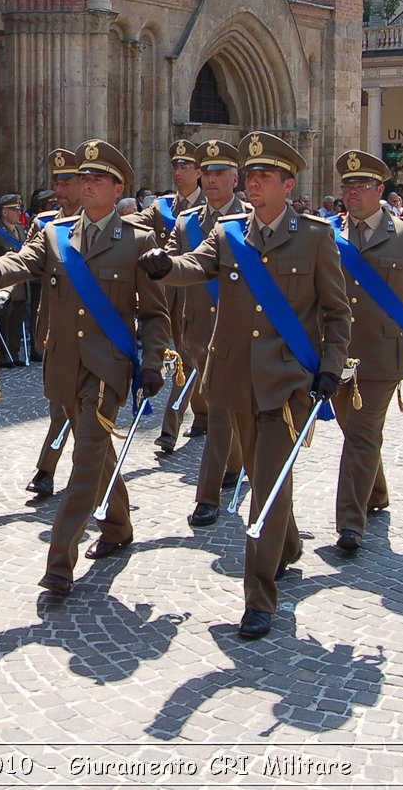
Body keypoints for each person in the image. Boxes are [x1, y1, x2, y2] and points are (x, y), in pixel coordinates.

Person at [141, 132, 352, 639]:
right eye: (250, 176)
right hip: (232, 377)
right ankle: (290, 543)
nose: (253, 184)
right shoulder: (229, 232)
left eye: (263, 177)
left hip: (286, 380)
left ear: (287, 184)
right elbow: (198, 265)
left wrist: (330, 365)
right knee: (264, 480)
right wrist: (166, 266)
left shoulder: (316, 236)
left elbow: (336, 312)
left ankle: (259, 595)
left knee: (268, 482)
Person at [0, 139, 170, 597]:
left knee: (84, 462)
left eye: (98, 178)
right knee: (94, 453)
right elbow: (23, 260)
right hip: (64, 364)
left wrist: (153, 362)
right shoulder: (56, 234)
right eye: (84, 177)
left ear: (119, 187)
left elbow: (155, 314)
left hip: (108, 368)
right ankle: (118, 525)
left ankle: (60, 559)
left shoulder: (139, 240)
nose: (88, 184)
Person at [322, 150, 403, 554]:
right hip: (335, 352)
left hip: (382, 354)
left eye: (360, 185)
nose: (351, 193)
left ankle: (350, 524)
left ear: (380, 190)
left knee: (360, 433)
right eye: (346, 186)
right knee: (358, 431)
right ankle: (376, 493)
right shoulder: (326, 233)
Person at [164, 140, 248, 527]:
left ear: (235, 178)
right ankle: (234, 464)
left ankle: (207, 496)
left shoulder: (252, 219)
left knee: (218, 411)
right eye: (207, 173)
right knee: (221, 410)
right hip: (197, 331)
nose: (212, 180)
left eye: (220, 174)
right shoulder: (186, 223)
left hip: (239, 334)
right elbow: (171, 263)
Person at [23, 149, 83, 499]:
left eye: (67, 181)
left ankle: (48, 469)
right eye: (57, 181)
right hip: (56, 327)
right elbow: (27, 262)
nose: (60, 188)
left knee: (78, 405)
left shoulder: (99, 222)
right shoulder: (45, 224)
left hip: (93, 327)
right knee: (60, 401)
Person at [151, 138, 210, 453]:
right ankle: (201, 414)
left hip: (200, 295)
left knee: (191, 356)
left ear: (199, 172)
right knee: (187, 357)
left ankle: (170, 428)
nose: (178, 171)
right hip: (167, 294)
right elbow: (134, 225)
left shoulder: (209, 208)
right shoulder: (161, 207)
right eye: (175, 165)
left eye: (185, 166)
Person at [0, 194, 30, 366]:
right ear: (4, 212)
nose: (18, 213)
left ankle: (14, 353)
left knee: (17, 321)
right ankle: (1, 355)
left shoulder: (20, 229)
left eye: (19, 210)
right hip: (4, 283)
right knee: (3, 320)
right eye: (14, 210)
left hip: (20, 282)